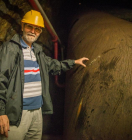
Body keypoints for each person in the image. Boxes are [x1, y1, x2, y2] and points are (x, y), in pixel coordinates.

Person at [0, 10, 89, 140]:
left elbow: (53, 65)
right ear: (23, 26)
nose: (33, 31)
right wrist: (1, 113)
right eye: (30, 26)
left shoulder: (37, 51)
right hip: (17, 114)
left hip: (37, 112)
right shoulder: (10, 49)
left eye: (37, 29)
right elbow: (1, 80)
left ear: (40, 32)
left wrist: (74, 62)